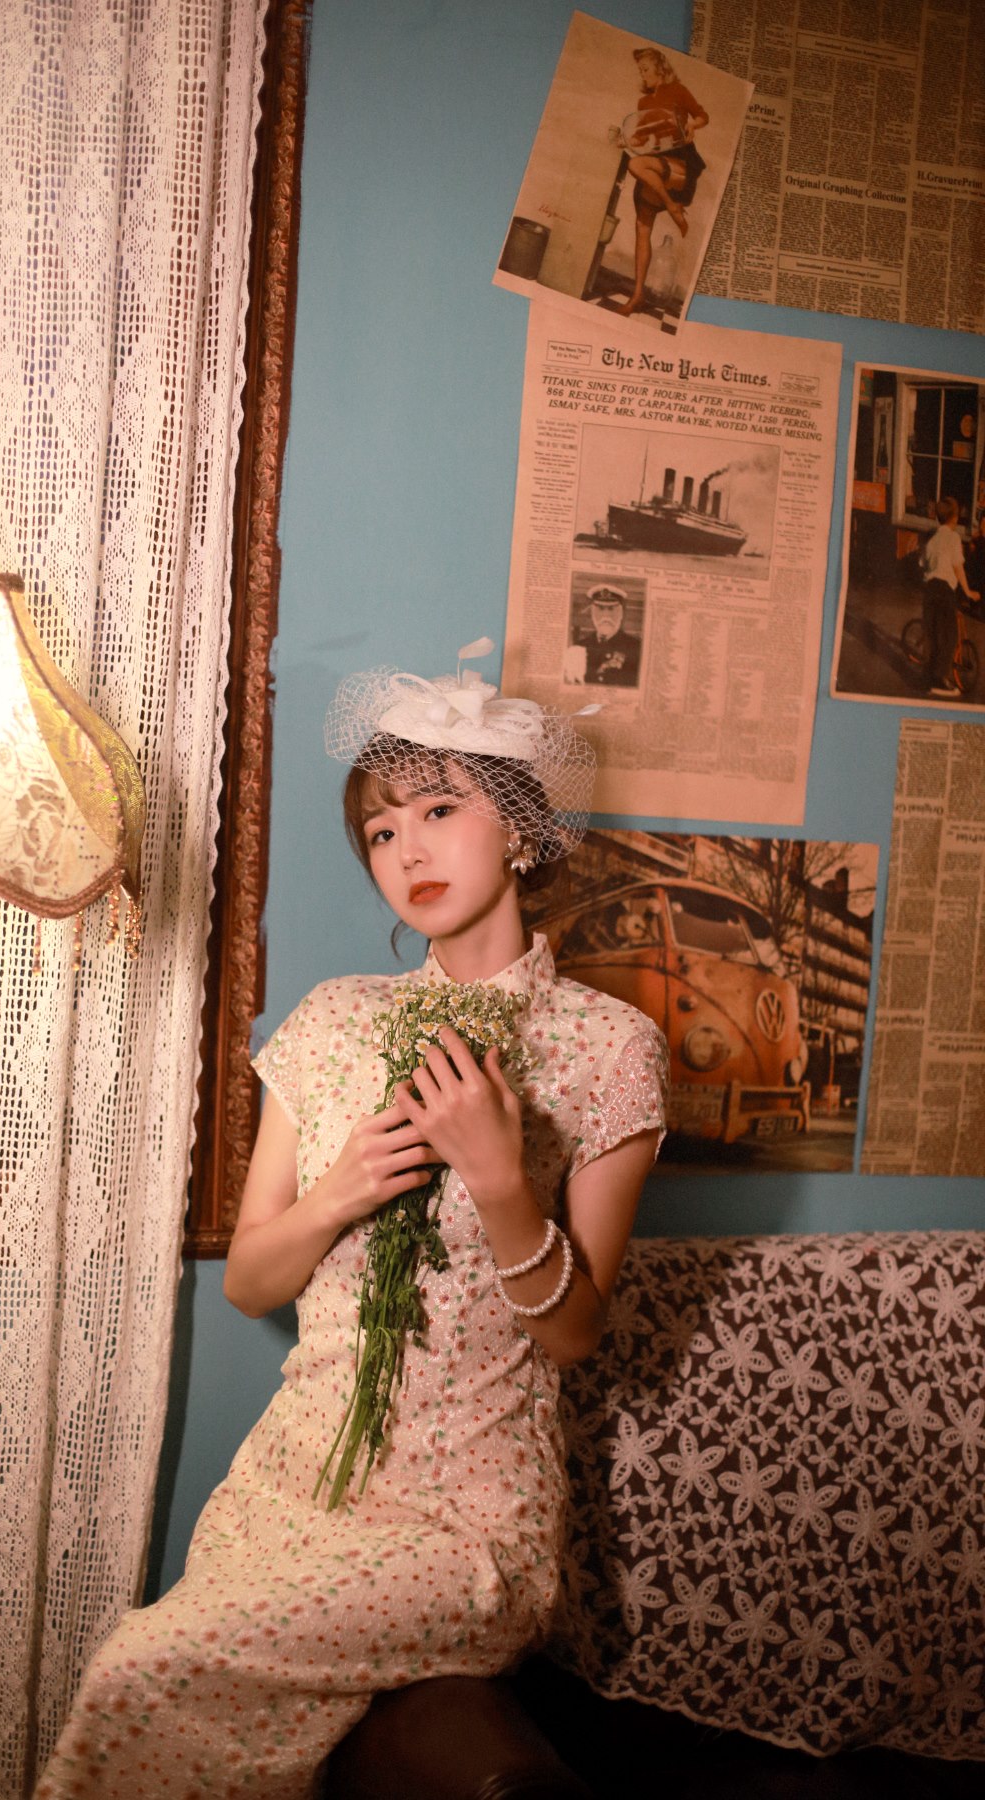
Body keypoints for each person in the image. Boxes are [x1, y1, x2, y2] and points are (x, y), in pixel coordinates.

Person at [37, 647, 667, 1800]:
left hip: (469, 1522)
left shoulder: (610, 1046)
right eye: (381, 831)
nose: (407, 851)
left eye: (440, 811)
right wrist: (341, 1192)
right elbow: (250, 1285)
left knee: (140, 1665)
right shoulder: (332, 1022)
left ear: (522, 830)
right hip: (291, 1486)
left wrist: (499, 1178)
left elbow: (574, 1334)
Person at [615, 46, 708, 318]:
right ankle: (637, 296)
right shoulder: (643, 104)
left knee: (636, 165)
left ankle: (672, 205)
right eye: (640, 70)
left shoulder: (678, 90)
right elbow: (643, 141)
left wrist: (693, 125)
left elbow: (702, 116)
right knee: (642, 228)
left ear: (660, 68)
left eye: (645, 69)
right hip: (655, 165)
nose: (642, 74)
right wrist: (627, 141)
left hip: (679, 163)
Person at [922, 496, 979, 696]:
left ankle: (929, 678)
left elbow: (923, 564)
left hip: (929, 589)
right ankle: (939, 682)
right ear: (954, 518)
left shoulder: (932, 540)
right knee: (949, 636)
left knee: (933, 635)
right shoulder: (953, 538)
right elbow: (958, 567)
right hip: (944, 590)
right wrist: (968, 591)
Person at [577, 585, 641, 686]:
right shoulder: (579, 647)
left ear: (621, 614)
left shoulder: (636, 648)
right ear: (592, 614)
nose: (606, 617)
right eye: (600, 609)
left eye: (611, 609)